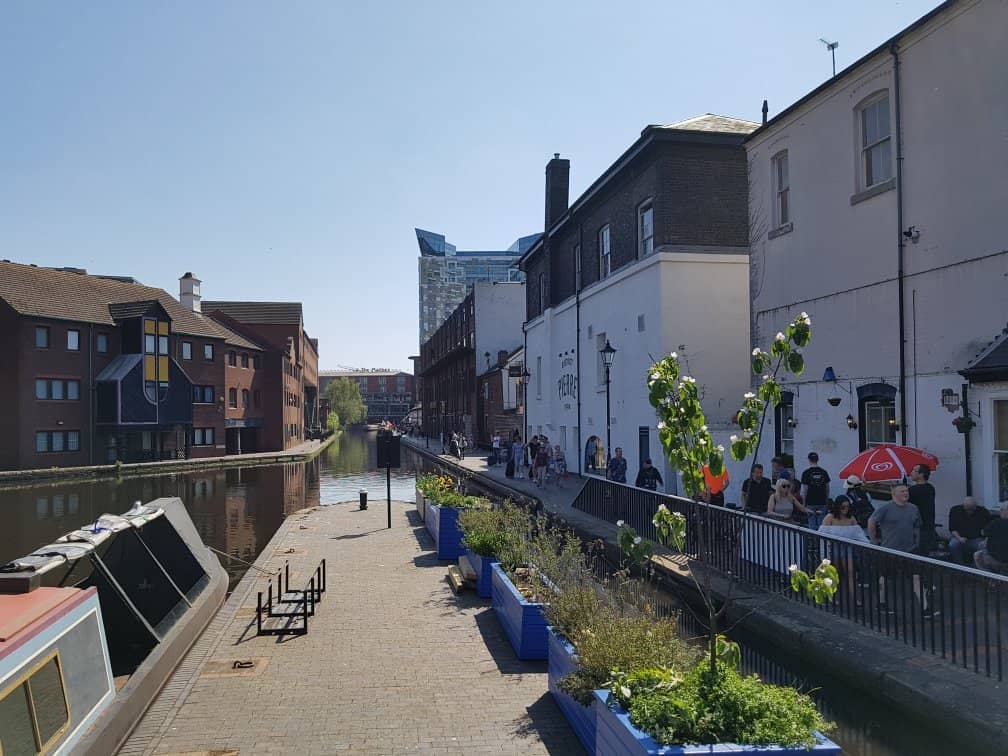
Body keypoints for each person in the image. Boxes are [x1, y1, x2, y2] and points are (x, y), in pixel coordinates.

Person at [868, 484, 925, 613]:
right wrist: (874, 540)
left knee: (916, 577)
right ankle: (881, 603)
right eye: (902, 491)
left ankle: (925, 607)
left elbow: (917, 525)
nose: (906, 493)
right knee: (885, 577)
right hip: (890, 549)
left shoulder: (913, 508)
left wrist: (917, 542)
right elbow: (871, 521)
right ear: (894, 494)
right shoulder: (885, 508)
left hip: (909, 549)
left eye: (906, 491)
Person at [819, 495, 869, 603]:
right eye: (843, 507)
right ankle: (834, 596)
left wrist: (868, 545)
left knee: (850, 572)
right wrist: (824, 554)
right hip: (833, 547)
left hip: (847, 547)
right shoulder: (830, 517)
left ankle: (855, 598)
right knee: (836, 573)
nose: (846, 510)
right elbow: (822, 535)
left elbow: (859, 534)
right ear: (837, 507)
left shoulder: (851, 518)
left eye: (847, 507)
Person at [947, 496, 992, 565]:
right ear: (963, 506)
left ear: (975, 506)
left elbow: (989, 528)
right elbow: (952, 528)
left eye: (972, 509)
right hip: (959, 537)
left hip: (976, 538)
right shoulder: (955, 510)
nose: (970, 511)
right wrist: (959, 538)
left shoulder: (983, 511)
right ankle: (959, 565)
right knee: (953, 545)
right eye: (967, 509)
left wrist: (985, 540)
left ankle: (976, 567)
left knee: (982, 546)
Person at [908, 463, 937, 553]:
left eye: (914, 470)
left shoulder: (913, 490)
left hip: (918, 528)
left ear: (921, 474)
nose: (911, 472)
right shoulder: (930, 487)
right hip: (929, 526)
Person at [974, 504, 1008, 575]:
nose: (1000, 512)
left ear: (1005, 511)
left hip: (995, 560)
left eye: (1001, 510)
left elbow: (983, 532)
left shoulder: (996, 522)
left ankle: (991, 577)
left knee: (977, 555)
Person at [800, 452, 831, 530]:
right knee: (822, 525)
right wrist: (826, 501)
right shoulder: (824, 472)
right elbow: (827, 488)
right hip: (822, 502)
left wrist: (803, 504)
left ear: (809, 460)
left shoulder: (806, 473)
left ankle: (813, 541)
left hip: (810, 502)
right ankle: (821, 540)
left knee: (812, 524)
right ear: (818, 460)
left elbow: (805, 490)